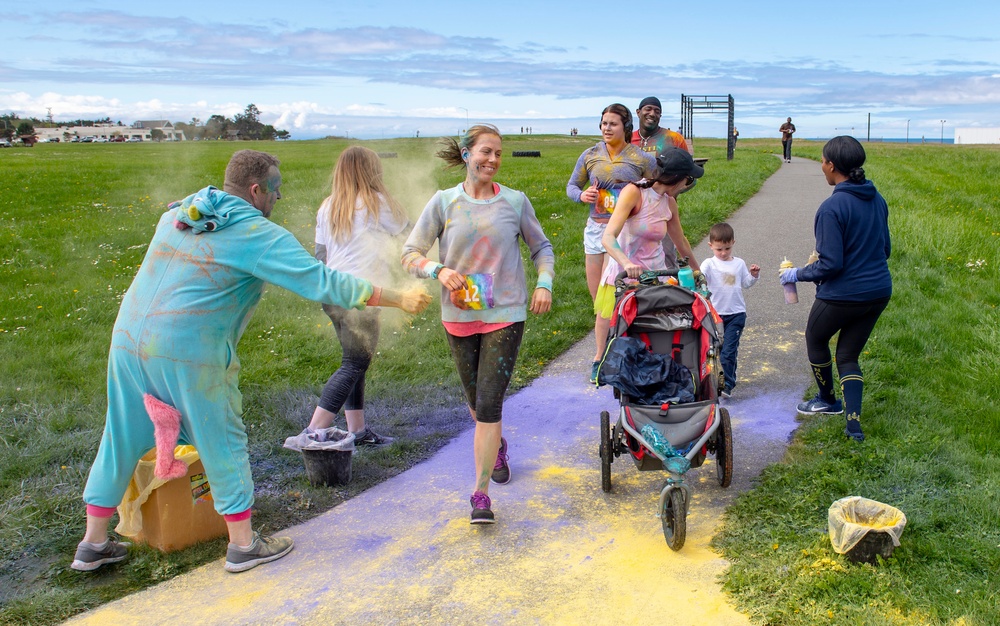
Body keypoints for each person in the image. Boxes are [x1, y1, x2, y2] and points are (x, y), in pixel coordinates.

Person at [72, 150, 431, 574]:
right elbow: (323, 281)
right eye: (275, 190)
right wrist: (398, 297)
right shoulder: (257, 234)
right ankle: (243, 545)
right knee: (221, 440)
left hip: (128, 342)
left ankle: (93, 543)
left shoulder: (184, 213)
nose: (278, 199)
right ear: (256, 190)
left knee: (120, 437)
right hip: (189, 350)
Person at [402, 124, 554, 524]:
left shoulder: (515, 202)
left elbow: (542, 248)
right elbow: (410, 253)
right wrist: (437, 269)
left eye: (498, 154)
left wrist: (544, 284)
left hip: (505, 314)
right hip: (459, 315)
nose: (493, 160)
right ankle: (497, 446)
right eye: (485, 152)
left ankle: (480, 495)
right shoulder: (444, 202)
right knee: (475, 404)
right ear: (467, 155)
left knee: (488, 403)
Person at [779, 136, 891, 442]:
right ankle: (853, 425)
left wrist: (796, 274)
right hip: (879, 291)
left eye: (822, 160)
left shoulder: (831, 208)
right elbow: (885, 249)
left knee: (816, 338)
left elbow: (830, 265)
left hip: (843, 294)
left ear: (831, 165)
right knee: (848, 355)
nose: (821, 165)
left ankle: (827, 400)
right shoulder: (877, 199)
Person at [304, 146, 411, 445]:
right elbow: (412, 235)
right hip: (363, 295)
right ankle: (313, 433)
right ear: (372, 171)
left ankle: (358, 431)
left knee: (354, 361)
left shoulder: (329, 205)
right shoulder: (378, 202)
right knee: (354, 363)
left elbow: (320, 254)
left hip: (333, 293)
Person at [593, 148, 704, 376]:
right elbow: (608, 236)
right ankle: (599, 359)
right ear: (677, 178)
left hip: (655, 273)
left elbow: (681, 241)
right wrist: (626, 263)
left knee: (650, 325)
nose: (688, 183)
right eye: (688, 179)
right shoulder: (634, 193)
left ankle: (646, 363)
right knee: (608, 316)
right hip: (625, 271)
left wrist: (698, 272)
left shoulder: (668, 203)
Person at [566, 104, 656, 380]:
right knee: (600, 302)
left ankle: (627, 350)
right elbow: (572, 187)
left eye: (612, 124)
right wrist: (581, 197)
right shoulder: (590, 155)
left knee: (621, 298)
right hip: (596, 230)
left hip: (623, 235)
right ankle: (601, 354)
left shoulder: (640, 158)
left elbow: (659, 188)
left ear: (625, 127)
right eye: (603, 123)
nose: (606, 128)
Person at [700, 222, 760, 398]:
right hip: (714, 315)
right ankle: (709, 380)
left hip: (736, 314)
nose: (723, 253)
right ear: (711, 246)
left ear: (733, 242)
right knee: (712, 351)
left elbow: (746, 283)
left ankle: (727, 384)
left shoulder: (739, 263)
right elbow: (700, 279)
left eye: (727, 248)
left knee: (729, 351)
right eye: (719, 249)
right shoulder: (709, 264)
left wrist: (754, 276)